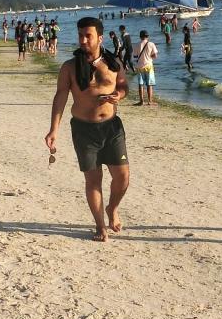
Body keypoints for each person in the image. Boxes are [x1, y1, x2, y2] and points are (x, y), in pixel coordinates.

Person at [45, 17, 130, 242]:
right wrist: (53, 130)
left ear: (100, 38)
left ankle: (112, 208)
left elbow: (123, 85)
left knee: (122, 177)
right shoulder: (69, 67)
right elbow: (61, 96)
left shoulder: (114, 63)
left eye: (88, 36)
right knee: (93, 179)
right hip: (84, 130)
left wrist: (119, 95)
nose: (83, 40)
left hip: (111, 127)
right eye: (80, 35)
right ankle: (100, 225)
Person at [133, 29, 158, 106]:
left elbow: (135, 56)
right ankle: (150, 101)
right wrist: (149, 57)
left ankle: (141, 101)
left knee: (140, 84)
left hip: (139, 66)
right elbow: (155, 56)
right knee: (149, 84)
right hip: (149, 66)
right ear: (147, 36)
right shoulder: (151, 44)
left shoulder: (136, 45)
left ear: (140, 37)